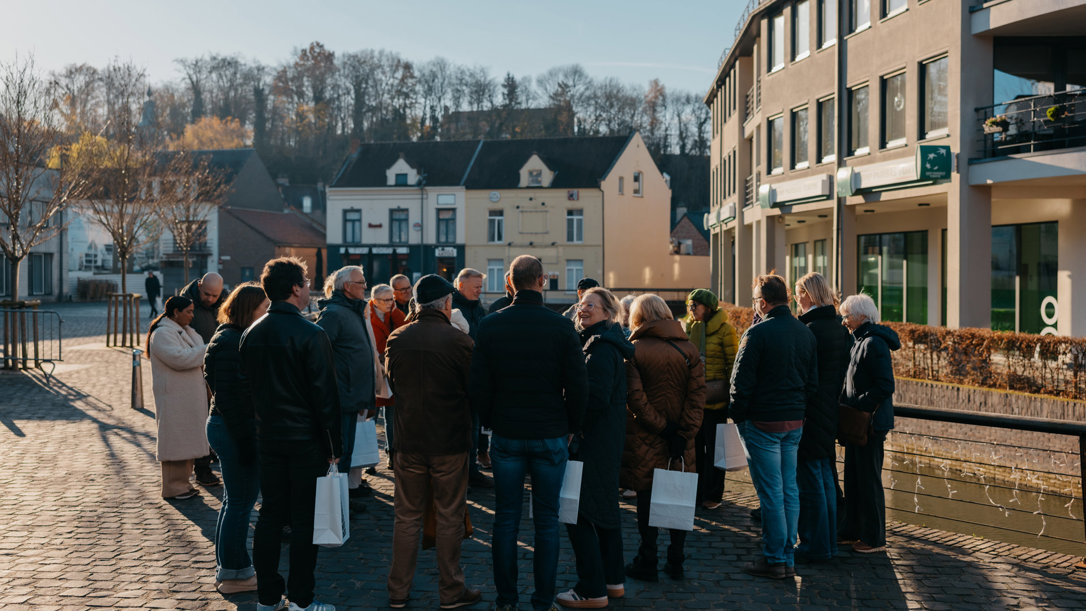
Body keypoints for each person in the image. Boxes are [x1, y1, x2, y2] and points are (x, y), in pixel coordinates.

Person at [471, 255, 589, 611]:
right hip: (550, 431)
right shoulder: (560, 327)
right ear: (542, 281)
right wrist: (571, 426)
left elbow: (479, 386)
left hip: (507, 432)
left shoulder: (491, 325)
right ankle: (541, 600)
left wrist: (492, 419)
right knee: (547, 522)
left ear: (510, 283)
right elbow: (578, 385)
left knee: (505, 520)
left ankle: (507, 600)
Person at [241, 257, 341, 611]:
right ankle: (301, 599)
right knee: (303, 522)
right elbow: (325, 397)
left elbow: (245, 392)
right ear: (296, 288)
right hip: (305, 442)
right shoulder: (312, 334)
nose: (310, 287)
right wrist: (333, 447)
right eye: (306, 281)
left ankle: (268, 598)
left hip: (267, 438)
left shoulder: (251, 334)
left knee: (269, 516)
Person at [384, 274, 482, 610]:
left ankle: (398, 591)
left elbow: (393, 382)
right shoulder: (458, 342)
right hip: (449, 441)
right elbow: (476, 390)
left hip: (408, 439)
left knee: (406, 517)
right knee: (450, 515)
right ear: (446, 305)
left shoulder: (397, 338)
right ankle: (451, 591)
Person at [730, 274, 818, 579]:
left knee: (771, 493)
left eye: (755, 300)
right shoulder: (804, 332)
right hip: (794, 421)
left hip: (762, 422)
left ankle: (775, 559)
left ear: (763, 302)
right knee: (789, 490)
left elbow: (739, 385)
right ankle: (787, 558)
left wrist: (739, 416)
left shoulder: (756, 334)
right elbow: (813, 383)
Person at [557, 287, 634, 609]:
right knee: (603, 511)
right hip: (605, 441)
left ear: (607, 312)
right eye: (581, 303)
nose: (582, 309)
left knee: (580, 514)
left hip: (594, 442)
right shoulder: (600, 342)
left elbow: (595, 398)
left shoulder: (601, 348)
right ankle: (613, 581)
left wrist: (574, 428)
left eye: (591, 305)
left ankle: (591, 589)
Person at [622, 295, 704, 583]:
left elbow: (635, 399)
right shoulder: (689, 349)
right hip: (681, 440)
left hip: (646, 436)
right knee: (677, 494)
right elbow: (697, 397)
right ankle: (676, 559)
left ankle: (647, 558)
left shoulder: (634, 350)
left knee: (646, 496)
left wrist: (661, 427)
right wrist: (684, 432)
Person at [204, 282, 270, 595]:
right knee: (241, 502)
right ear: (249, 309)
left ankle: (228, 568)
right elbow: (231, 398)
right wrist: (247, 443)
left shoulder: (229, 336)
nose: (267, 314)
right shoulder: (233, 341)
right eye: (263, 308)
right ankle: (235, 573)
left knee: (234, 500)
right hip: (233, 429)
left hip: (228, 426)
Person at [793, 273, 852, 563]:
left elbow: (804, 377)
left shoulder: (810, 329)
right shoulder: (838, 328)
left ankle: (815, 546)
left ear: (807, 294)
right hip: (829, 409)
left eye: (797, 292)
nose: (794, 298)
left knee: (812, 478)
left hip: (810, 412)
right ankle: (828, 543)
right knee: (826, 475)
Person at [838, 293, 899, 554]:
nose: (844, 321)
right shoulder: (859, 341)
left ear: (862, 316)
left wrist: (858, 405)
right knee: (854, 478)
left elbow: (885, 385)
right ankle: (852, 531)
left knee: (869, 481)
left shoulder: (873, 343)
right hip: (858, 423)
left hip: (870, 424)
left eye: (847, 316)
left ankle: (875, 538)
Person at [316, 266, 378, 501]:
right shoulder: (334, 313)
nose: (365, 286)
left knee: (347, 453)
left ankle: (343, 502)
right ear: (347, 287)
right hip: (342, 397)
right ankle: (337, 505)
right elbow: (319, 353)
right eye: (361, 283)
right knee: (339, 455)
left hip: (353, 396)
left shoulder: (352, 310)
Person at [147, 296, 209, 501]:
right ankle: (173, 487)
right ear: (175, 312)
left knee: (186, 439)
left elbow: (191, 353)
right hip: (174, 397)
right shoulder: (163, 333)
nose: (192, 315)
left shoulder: (185, 331)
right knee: (176, 441)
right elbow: (180, 358)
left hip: (186, 397)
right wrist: (208, 349)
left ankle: (184, 482)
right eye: (188, 311)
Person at [682, 288, 738, 510]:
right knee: (694, 449)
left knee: (715, 450)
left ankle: (713, 494)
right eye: (689, 305)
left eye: (695, 305)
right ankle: (696, 492)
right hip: (693, 401)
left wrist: (732, 396)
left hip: (716, 402)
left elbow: (733, 365)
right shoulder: (688, 329)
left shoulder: (725, 331)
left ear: (708, 308)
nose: (691, 310)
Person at [181, 271, 229, 486]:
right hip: (197, 367)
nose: (210, 299)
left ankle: (213, 451)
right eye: (207, 294)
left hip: (219, 365)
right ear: (199, 286)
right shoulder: (186, 304)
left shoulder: (226, 301)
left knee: (218, 413)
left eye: (214, 295)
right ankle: (202, 468)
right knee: (200, 416)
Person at [453, 268, 494, 486]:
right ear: (461, 286)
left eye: (481, 286)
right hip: (460, 376)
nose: (480, 290)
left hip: (477, 374)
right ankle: (463, 472)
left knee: (475, 425)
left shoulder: (478, 308)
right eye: (476, 286)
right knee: (463, 427)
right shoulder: (452, 309)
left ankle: (472, 469)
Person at [368, 283, 407, 468]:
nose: (391, 303)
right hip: (374, 373)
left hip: (392, 372)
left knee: (392, 418)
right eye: (386, 300)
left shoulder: (396, 313)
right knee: (371, 418)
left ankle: (392, 454)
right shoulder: (366, 316)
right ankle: (369, 459)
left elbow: (406, 331)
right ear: (375, 301)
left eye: (392, 299)